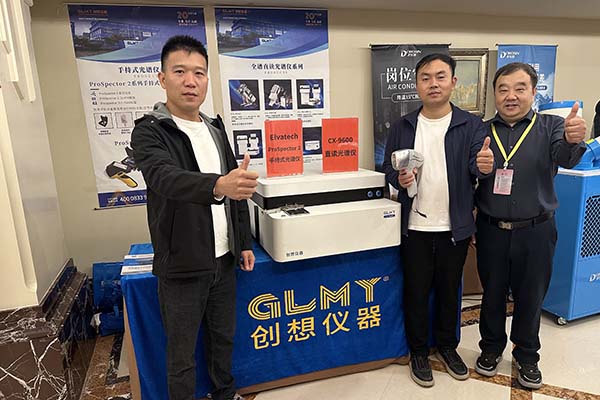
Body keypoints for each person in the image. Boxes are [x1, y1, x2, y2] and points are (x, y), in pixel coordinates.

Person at [131, 35, 258, 400]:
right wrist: (218, 184)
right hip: (182, 264)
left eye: (199, 73)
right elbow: (164, 178)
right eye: (180, 71)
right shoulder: (150, 130)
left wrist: (243, 242)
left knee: (223, 338)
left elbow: (236, 190)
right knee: (181, 352)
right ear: (162, 78)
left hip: (224, 259)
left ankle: (225, 394)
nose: (190, 81)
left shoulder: (215, 128)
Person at [383, 53, 494, 388]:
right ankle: (418, 351)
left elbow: (476, 168)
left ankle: (447, 347)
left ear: (453, 82)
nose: (433, 83)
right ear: (417, 85)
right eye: (426, 77)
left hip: (453, 227)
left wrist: (484, 167)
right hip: (414, 227)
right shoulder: (403, 125)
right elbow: (388, 167)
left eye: (440, 76)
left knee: (449, 291)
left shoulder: (471, 125)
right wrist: (398, 178)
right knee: (415, 292)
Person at [474, 62, 586, 389]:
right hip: (492, 229)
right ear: (494, 94)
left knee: (531, 296)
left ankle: (527, 356)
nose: (511, 96)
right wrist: (479, 169)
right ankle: (491, 347)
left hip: (537, 230)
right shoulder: (481, 131)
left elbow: (565, 157)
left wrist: (572, 140)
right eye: (503, 89)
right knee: (492, 294)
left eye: (520, 88)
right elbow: (470, 174)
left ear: (533, 92)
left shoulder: (551, 126)